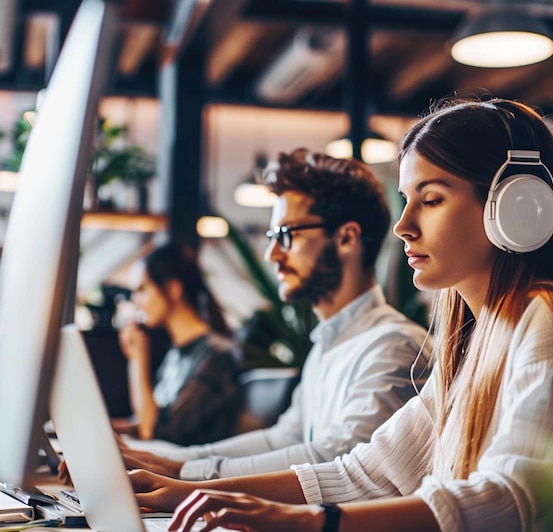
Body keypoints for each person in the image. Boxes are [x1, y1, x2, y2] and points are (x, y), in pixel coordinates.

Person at [131, 98, 553, 532]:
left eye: (431, 199)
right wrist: (184, 490)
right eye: (408, 199)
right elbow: (367, 475)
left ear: (518, 207)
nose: (404, 225)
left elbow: (502, 501)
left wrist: (306, 522)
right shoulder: (474, 343)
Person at [120, 148, 431, 480]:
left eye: (286, 235)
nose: (272, 254)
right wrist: (162, 459)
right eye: (272, 237)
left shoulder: (393, 347)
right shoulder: (329, 344)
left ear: (346, 237)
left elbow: (337, 457)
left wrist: (183, 470)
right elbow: (284, 438)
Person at [114, 241, 241, 446]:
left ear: (173, 289)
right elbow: (148, 418)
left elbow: (153, 430)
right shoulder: (179, 352)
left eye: (142, 290)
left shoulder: (216, 356)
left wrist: (138, 359)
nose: (136, 301)